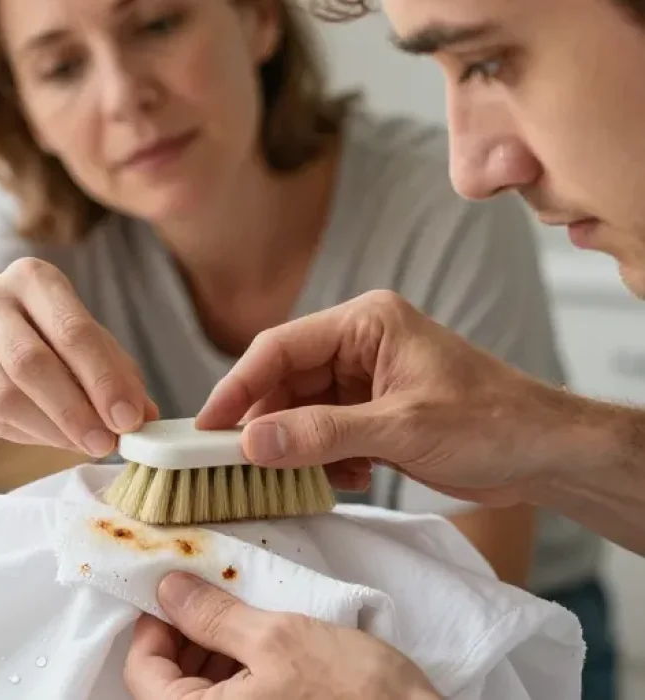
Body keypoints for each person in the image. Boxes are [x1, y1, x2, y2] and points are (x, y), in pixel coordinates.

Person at [0, 0, 613, 664]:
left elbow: (471, 607)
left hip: (503, 636)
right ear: (24, 110)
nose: (124, 98)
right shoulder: (34, 212)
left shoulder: (437, 203)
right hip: (208, 624)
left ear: (257, 18)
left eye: (157, 23)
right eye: (60, 68)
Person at [118, 0, 645, 697]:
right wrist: (550, 437)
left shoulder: (417, 195)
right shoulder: (42, 216)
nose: (475, 171)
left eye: (488, 62)